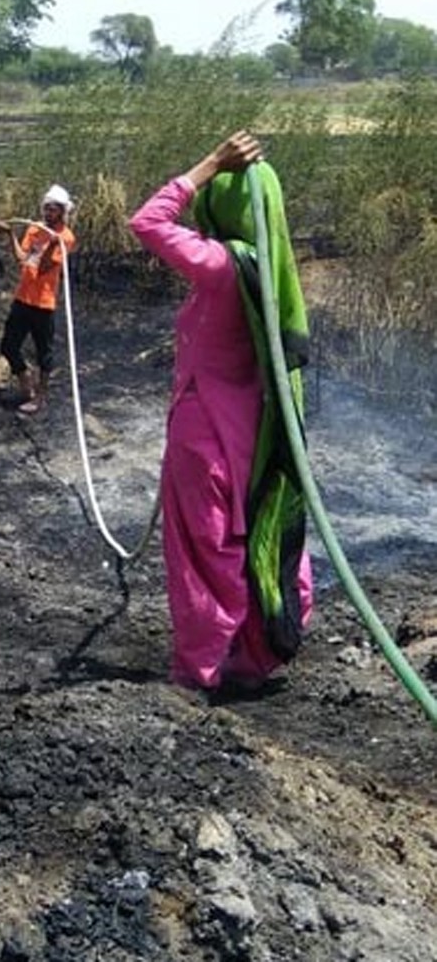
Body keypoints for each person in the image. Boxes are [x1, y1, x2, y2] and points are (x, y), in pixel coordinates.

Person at [129, 130, 313, 696]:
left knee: (204, 551)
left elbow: (148, 223)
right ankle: (253, 656)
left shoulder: (219, 267)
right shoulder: (275, 271)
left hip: (202, 433)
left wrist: (206, 165)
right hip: (256, 435)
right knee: (255, 532)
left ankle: (201, 667)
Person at [0, 184, 77, 414]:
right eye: (46, 208)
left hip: (43, 303)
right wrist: (10, 234)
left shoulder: (65, 238)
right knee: (8, 345)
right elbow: (23, 259)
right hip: (23, 297)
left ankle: (40, 397)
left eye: (53, 209)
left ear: (62, 212)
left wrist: (52, 243)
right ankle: (25, 381)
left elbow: (43, 269)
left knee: (44, 352)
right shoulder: (34, 230)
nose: (48, 213)